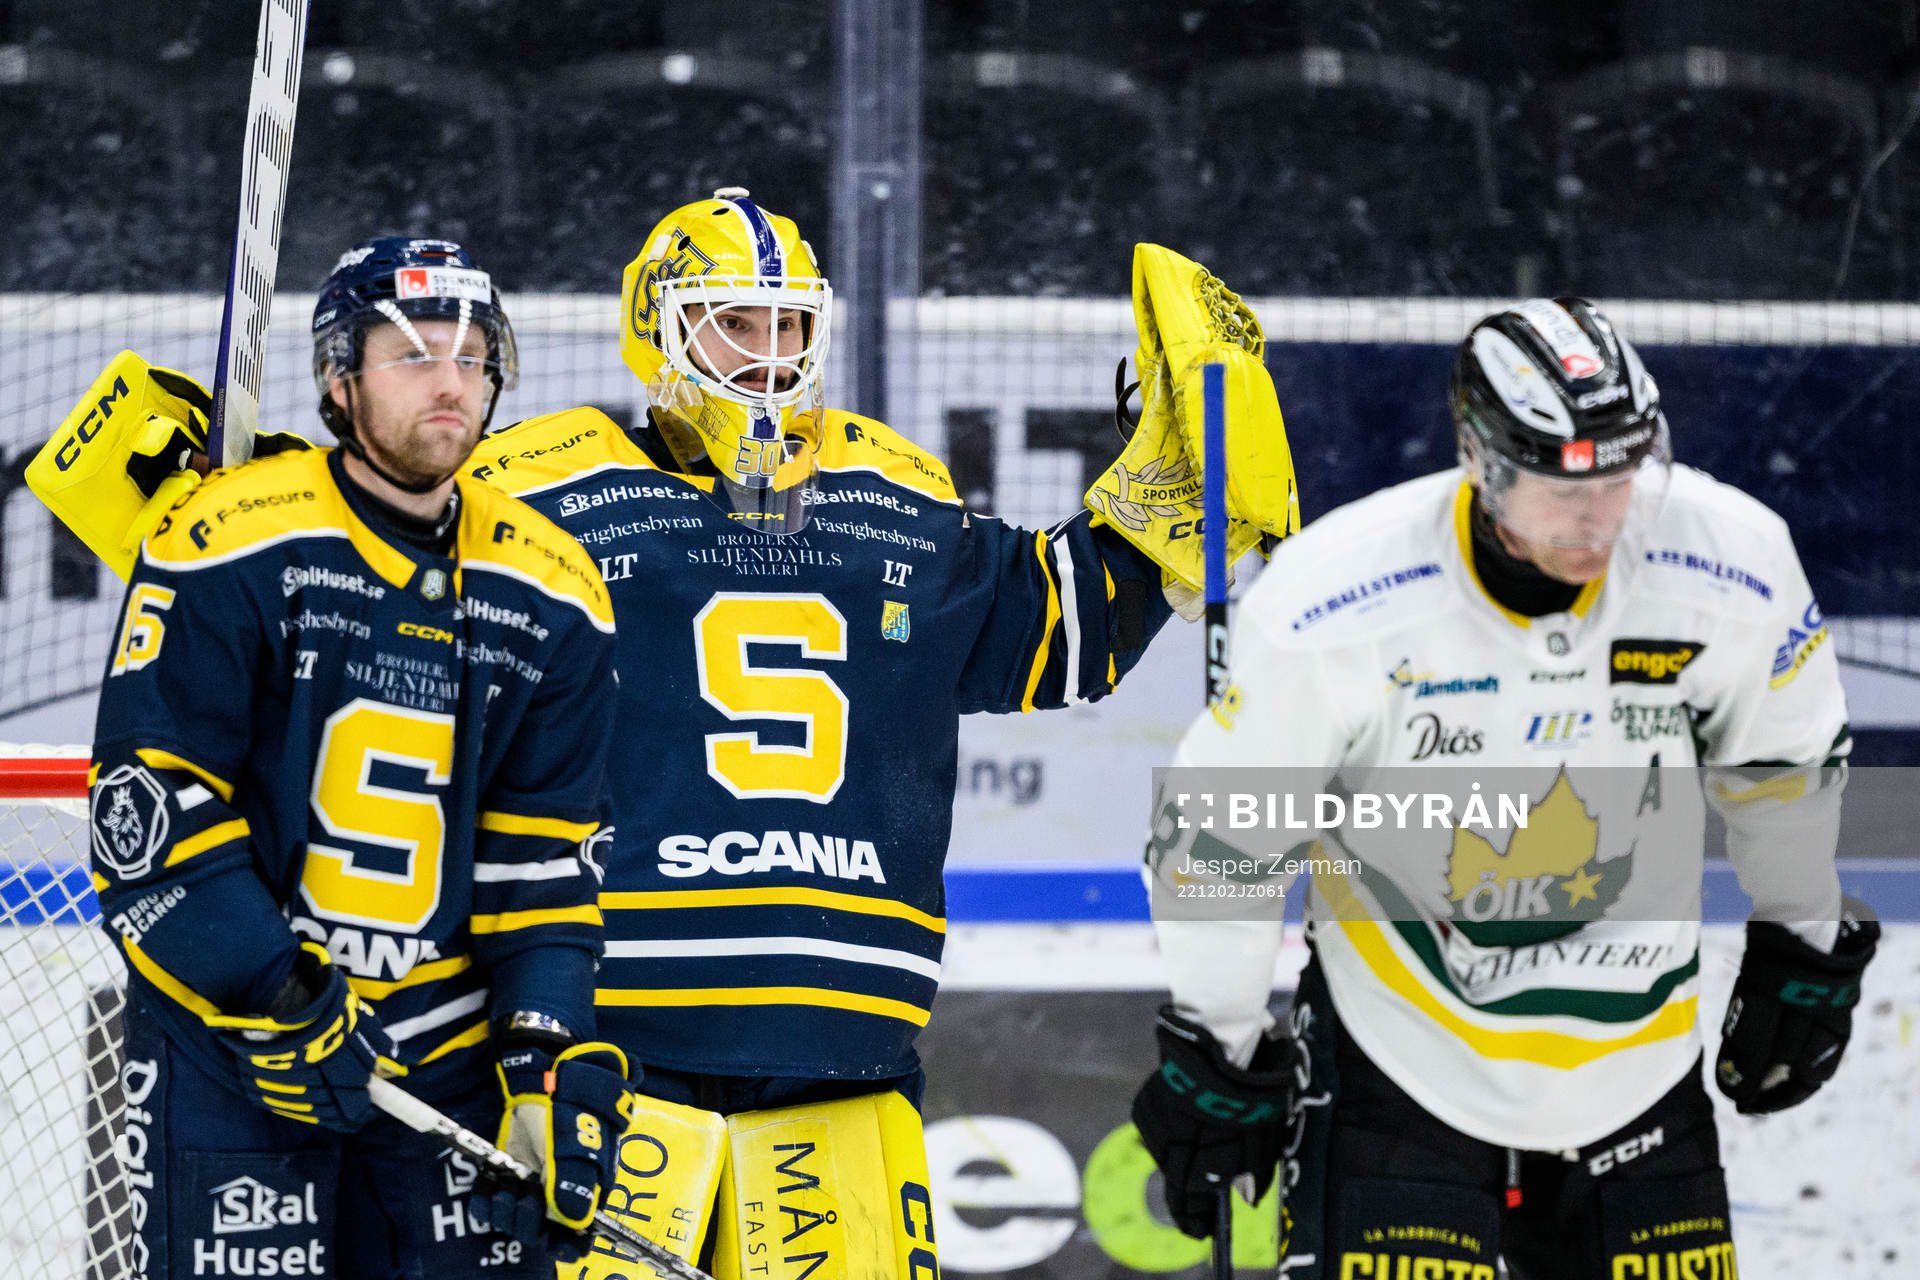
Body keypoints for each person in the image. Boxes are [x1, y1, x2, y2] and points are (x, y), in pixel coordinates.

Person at [462, 188, 1298, 1275]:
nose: (769, 356)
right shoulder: (537, 488)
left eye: (790, 324)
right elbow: (388, 584)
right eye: (735, 322)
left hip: (845, 1058)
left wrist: (1183, 505)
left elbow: (1059, 628)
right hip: (610, 1045)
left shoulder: (892, 492)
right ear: (658, 326)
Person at [1129, 298, 1879, 1278]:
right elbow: (1224, 835)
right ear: (1481, 463)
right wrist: (1218, 1042)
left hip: (1640, 1074)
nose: (1596, 519)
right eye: (1560, 490)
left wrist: (1800, 932)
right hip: (1403, 1074)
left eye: (1622, 481)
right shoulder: (1339, 598)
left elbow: (1787, 757)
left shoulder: (1726, 561)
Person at [69, 237, 637, 1279]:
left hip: (444, 1070)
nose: (451, 382)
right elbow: (151, 808)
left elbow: (542, 862)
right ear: (339, 379)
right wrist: (276, 997)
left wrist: (540, 1062)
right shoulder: (230, 535)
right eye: (413, 355)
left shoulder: (555, 586)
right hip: (236, 1051)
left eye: (473, 356)